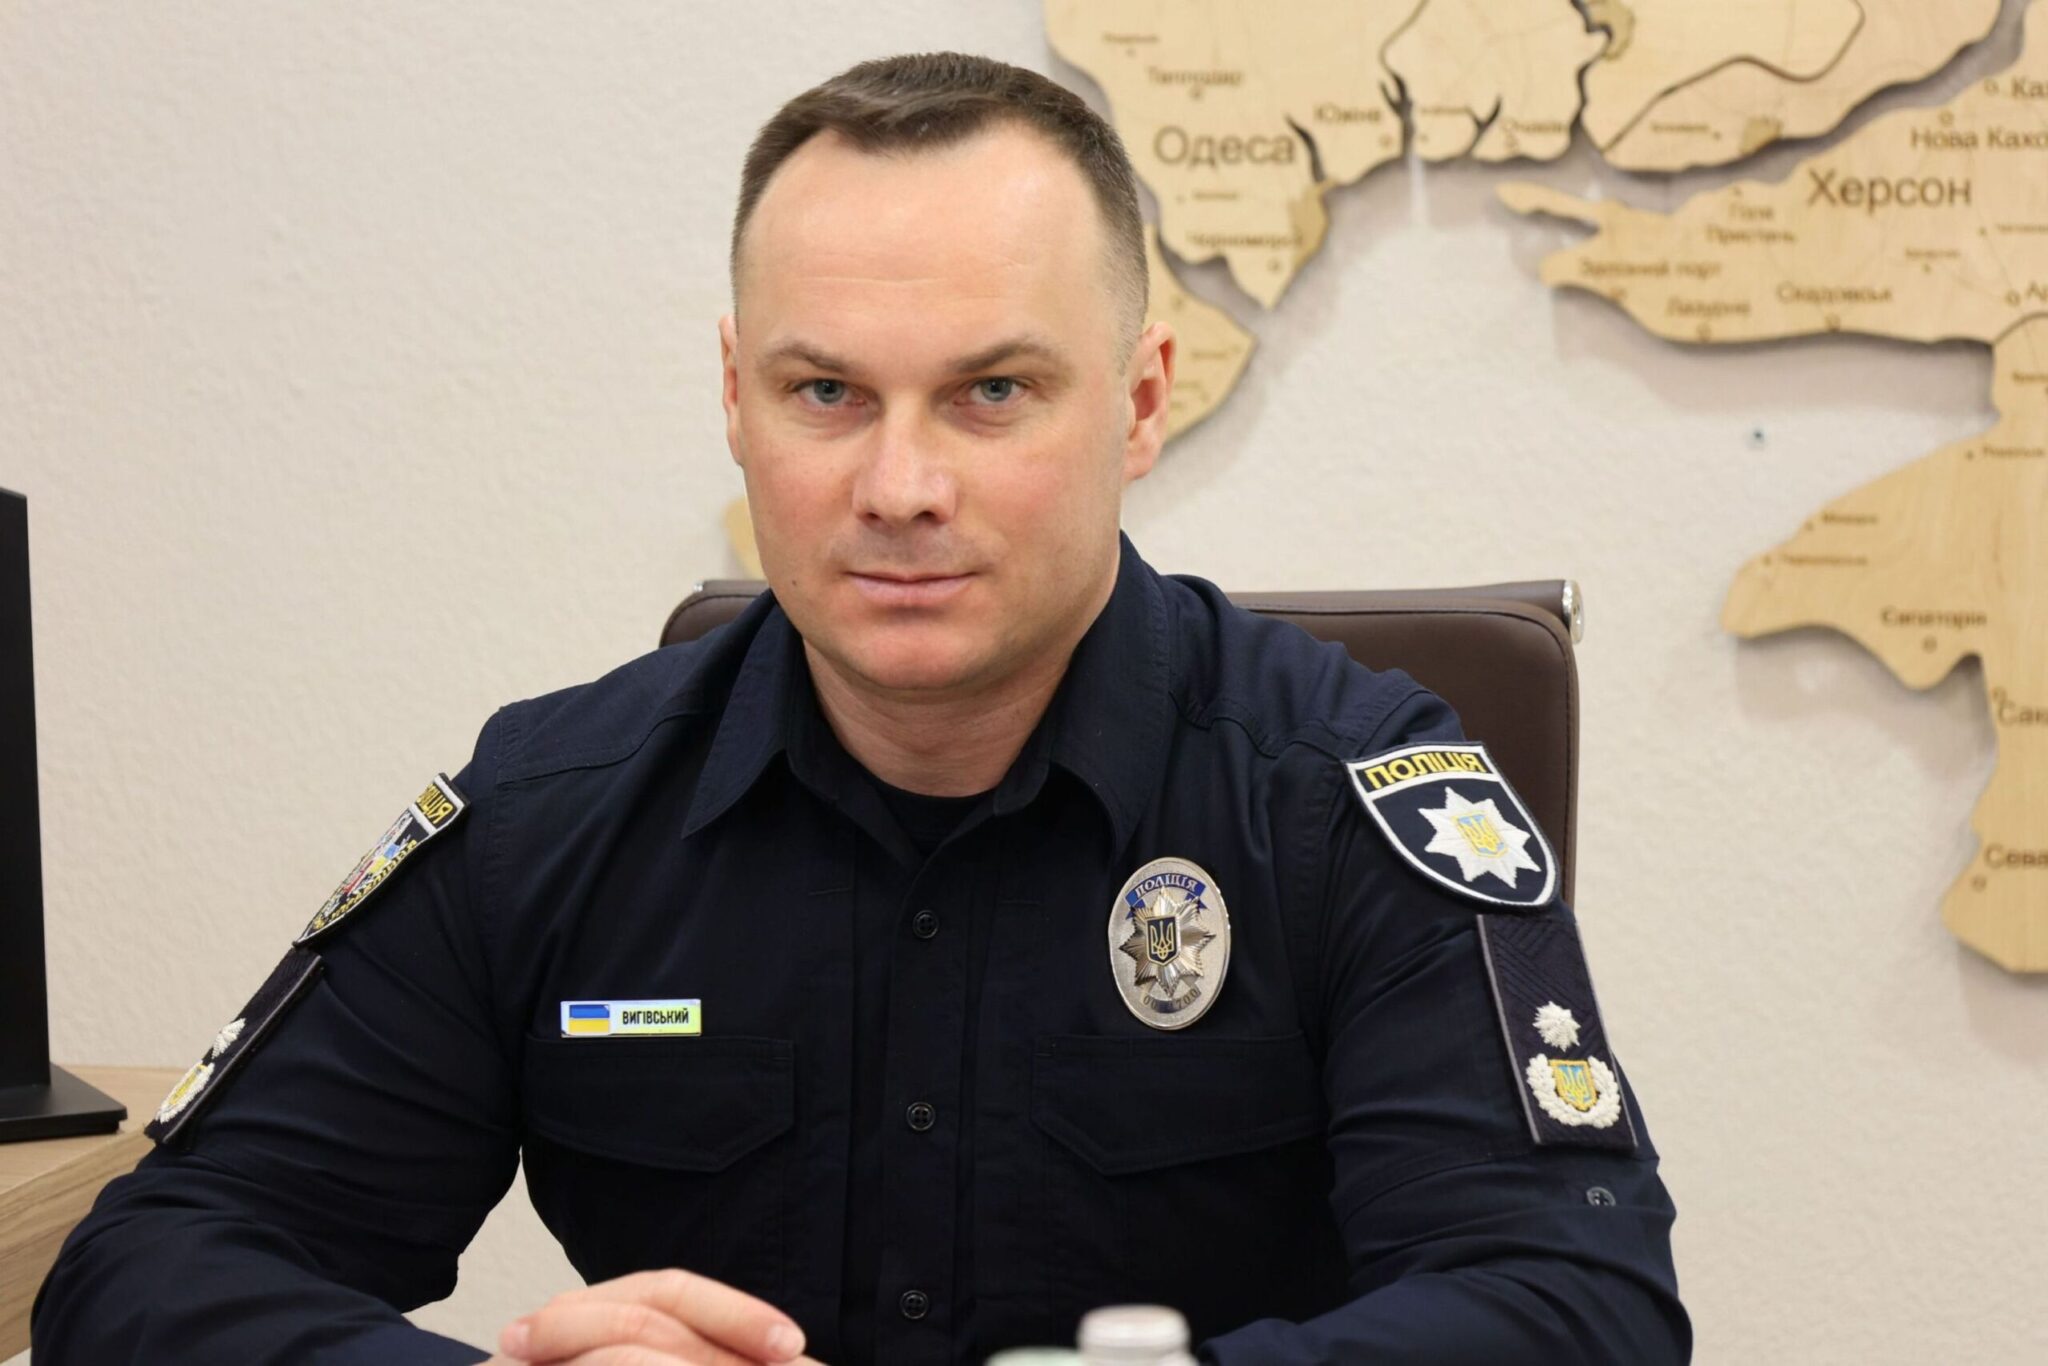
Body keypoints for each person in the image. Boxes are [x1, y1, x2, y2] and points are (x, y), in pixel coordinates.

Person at [33, 52, 1689, 1366]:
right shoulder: (554, 810)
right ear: (734, 399)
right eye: (826, 391)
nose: (899, 487)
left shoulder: (1349, 798)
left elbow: (1577, 1303)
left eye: (992, 391)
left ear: (1138, 403)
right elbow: (148, 1268)